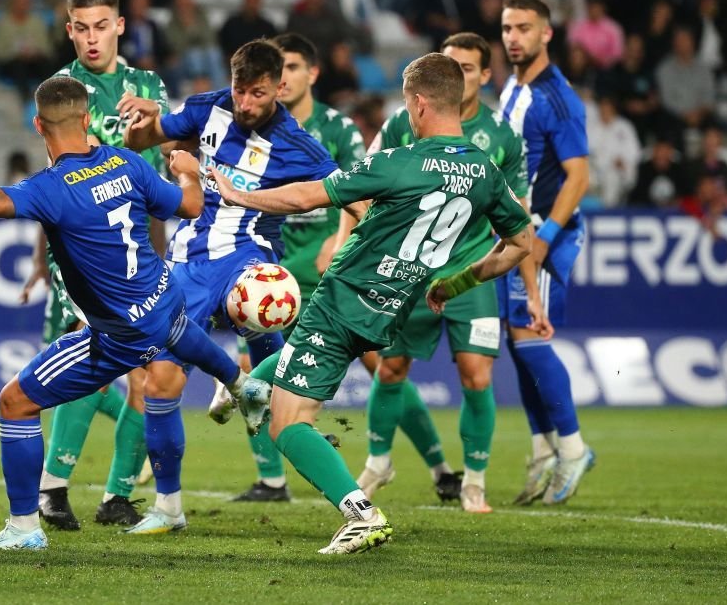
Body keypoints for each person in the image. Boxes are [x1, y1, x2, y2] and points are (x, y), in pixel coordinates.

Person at [0, 77, 265, 550]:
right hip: (163, 298)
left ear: (38, 125)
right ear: (86, 120)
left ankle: (23, 529)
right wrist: (186, 168)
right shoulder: (126, 162)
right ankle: (243, 386)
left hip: (119, 334)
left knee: (15, 402)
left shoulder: (50, 188)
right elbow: (191, 205)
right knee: (177, 330)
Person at [208, 52, 533, 553]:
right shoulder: (485, 172)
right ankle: (248, 383)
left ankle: (359, 513)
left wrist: (238, 195)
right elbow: (521, 242)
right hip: (393, 307)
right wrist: (456, 284)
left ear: (419, 104)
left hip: (344, 297)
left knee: (287, 424)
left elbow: (305, 198)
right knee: (291, 365)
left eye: (407, 104)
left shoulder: (398, 161)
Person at [119, 39, 343, 534]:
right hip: (188, 265)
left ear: (279, 88)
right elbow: (148, 138)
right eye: (240, 91)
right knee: (160, 382)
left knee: (269, 298)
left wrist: (351, 241)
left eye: (257, 94)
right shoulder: (208, 106)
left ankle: (255, 386)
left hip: (250, 257)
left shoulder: (297, 142)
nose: (245, 104)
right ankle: (170, 506)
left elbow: (348, 191)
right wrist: (143, 123)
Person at [29, 0, 173, 533]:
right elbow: (61, 168)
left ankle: (116, 495)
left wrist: (157, 122)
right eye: (80, 28)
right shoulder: (61, 90)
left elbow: (164, 157)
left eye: (101, 26)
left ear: (119, 26)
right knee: (92, 367)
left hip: (139, 251)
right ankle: (51, 489)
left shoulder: (148, 85)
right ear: (69, 30)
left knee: (150, 374)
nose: (91, 38)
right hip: (83, 251)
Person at [211, 32, 370, 503]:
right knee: (263, 361)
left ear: (304, 76)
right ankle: (271, 478)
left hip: (324, 255)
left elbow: (356, 190)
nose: (286, 80)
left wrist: (339, 244)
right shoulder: (246, 127)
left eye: (296, 68)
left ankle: (387, 461)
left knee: (384, 363)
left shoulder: (335, 129)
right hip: (272, 261)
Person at [498, 0, 595, 505]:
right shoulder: (514, 86)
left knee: (529, 335)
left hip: (543, 237)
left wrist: (544, 240)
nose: (514, 36)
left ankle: (573, 449)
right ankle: (543, 452)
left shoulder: (555, 97)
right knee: (518, 344)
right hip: (517, 236)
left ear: (546, 34)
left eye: (524, 28)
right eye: (508, 27)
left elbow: (579, 177)